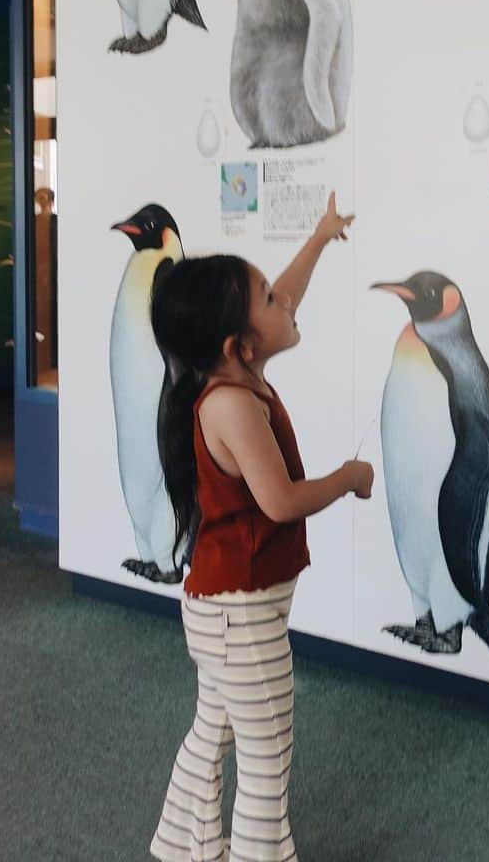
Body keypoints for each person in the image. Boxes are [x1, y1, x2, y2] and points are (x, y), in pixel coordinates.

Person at [148, 192, 374, 862]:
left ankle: (178, 848)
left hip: (223, 610)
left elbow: (286, 296)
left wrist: (320, 237)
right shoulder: (234, 407)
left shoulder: (231, 376)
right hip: (240, 617)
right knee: (268, 756)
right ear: (241, 345)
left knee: (213, 732)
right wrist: (347, 478)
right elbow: (279, 501)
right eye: (270, 301)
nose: (285, 300)